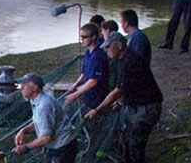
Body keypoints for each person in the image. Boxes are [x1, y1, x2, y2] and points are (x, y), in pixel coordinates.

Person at [86, 33, 163, 163]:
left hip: (147, 107)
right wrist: (121, 101)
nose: (107, 50)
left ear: (119, 45)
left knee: (136, 144)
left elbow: (117, 91)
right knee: (127, 142)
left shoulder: (131, 60)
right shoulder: (121, 59)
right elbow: (131, 84)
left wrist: (97, 109)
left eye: (109, 47)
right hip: (134, 105)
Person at [12, 73, 78, 163]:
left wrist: (26, 147)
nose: (21, 88)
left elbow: (47, 138)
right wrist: (24, 130)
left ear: (34, 88)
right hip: (54, 147)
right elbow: (38, 122)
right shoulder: (35, 101)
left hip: (63, 147)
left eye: (24, 85)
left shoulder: (44, 105)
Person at [65, 24, 110, 113]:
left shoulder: (99, 56)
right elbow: (84, 73)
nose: (82, 39)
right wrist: (76, 84)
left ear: (93, 37)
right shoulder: (88, 53)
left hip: (98, 100)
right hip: (88, 98)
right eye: (81, 36)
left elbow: (93, 81)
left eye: (84, 37)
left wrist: (75, 95)